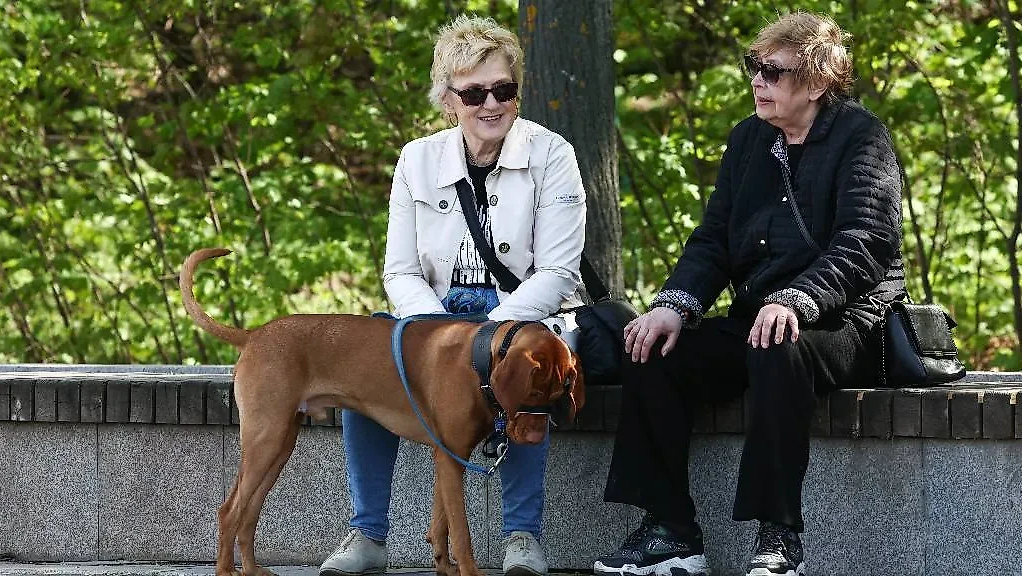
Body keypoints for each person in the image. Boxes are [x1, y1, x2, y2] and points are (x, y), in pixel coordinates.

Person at [592, 12, 905, 576]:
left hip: (845, 322)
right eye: (753, 67)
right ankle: (672, 533)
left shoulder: (863, 138)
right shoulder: (747, 139)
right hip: (758, 314)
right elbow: (714, 238)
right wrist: (673, 306)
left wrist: (798, 299)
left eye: (773, 71)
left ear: (815, 83)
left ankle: (777, 537)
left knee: (776, 345)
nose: (757, 80)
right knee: (651, 351)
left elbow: (868, 241)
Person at [319, 14, 587, 576]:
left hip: (524, 310)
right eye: (474, 93)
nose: (491, 104)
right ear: (448, 98)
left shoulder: (551, 154)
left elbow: (558, 271)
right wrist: (436, 334)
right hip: (435, 315)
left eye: (504, 90)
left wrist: (491, 335)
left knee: (523, 366)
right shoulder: (417, 159)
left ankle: (520, 538)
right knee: (365, 358)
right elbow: (399, 270)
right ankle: (368, 534)